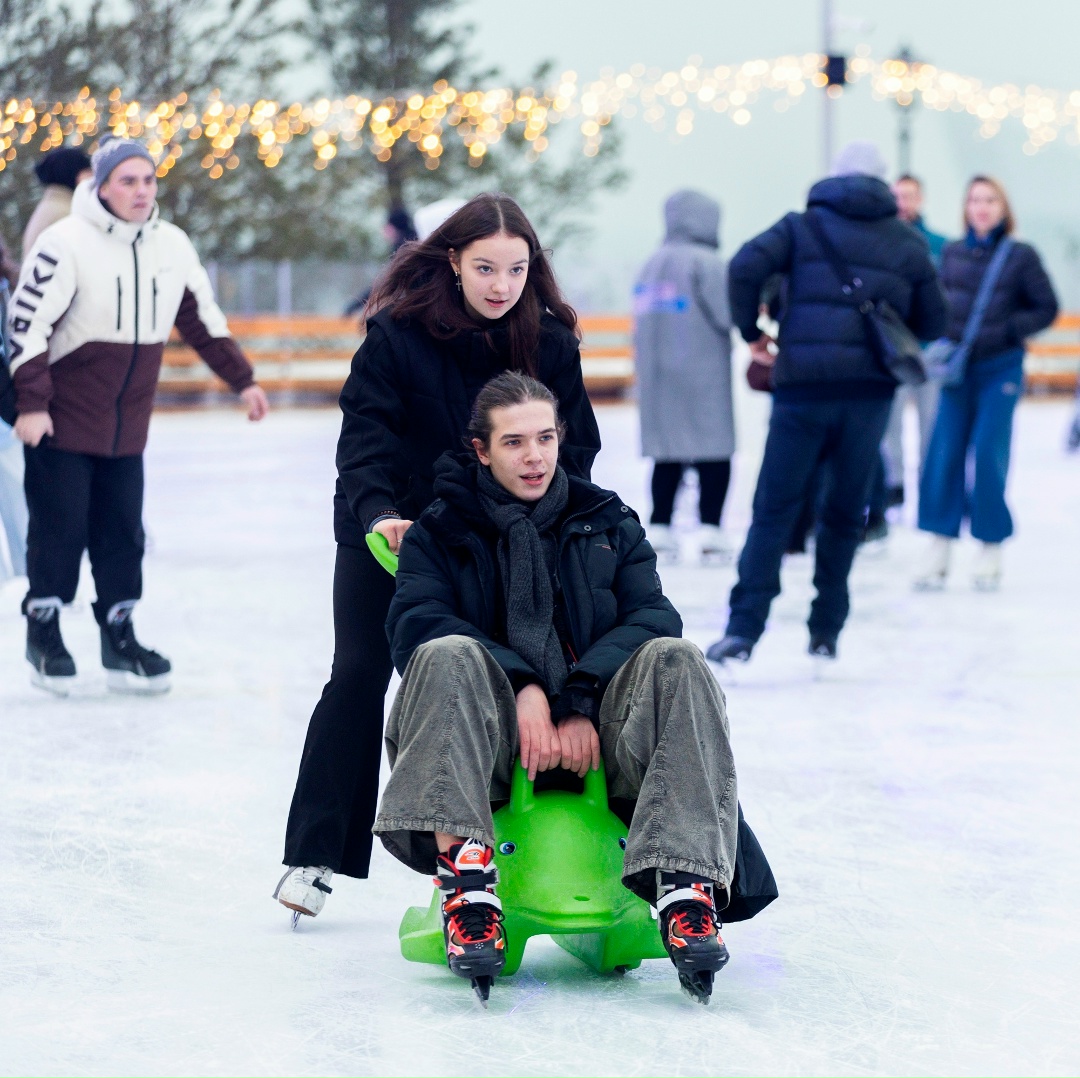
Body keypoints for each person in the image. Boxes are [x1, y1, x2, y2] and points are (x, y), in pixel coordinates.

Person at [373, 371, 774, 1003]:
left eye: (545, 438)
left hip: (604, 733)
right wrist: (525, 686)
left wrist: (582, 698)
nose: (533, 457)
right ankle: (468, 885)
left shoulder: (606, 519)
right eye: (513, 443)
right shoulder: (440, 530)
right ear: (481, 449)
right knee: (445, 652)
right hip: (492, 739)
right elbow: (417, 623)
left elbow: (653, 616)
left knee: (677, 658)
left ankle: (684, 885)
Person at [275, 194, 602, 921]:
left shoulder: (550, 344)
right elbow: (363, 442)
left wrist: (546, 525)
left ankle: (554, 851)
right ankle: (315, 855)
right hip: (392, 534)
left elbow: (576, 451)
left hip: (503, 539)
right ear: (451, 260)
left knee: (528, 675)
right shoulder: (395, 334)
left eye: (516, 269)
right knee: (360, 672)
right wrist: (380, 515)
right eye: (485, 267)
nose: (500, 284)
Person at [6, 136, 269, 695]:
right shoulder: (64, 242)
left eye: (148, 180)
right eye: (127, 180)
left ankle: (118, 636)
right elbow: (25, 327)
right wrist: (30, 405)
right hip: (61, 418)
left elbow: (201, 317)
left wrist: (242, 380)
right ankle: (44, 630)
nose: (140, 191)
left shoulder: (170, 244)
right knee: (60, 529)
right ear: (98, 185)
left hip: (127, 425)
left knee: (123, 534)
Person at [707, 141, 946, 665]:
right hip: (868, 396)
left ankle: (743, 630)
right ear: (882, 183)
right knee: (843, 513)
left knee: (774, 508)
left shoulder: (800, 227)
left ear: (834, 176)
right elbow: (933, 322)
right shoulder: (905, 240)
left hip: (802, 392)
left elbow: (745, 266)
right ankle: (826, 630)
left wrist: (752, 332)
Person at [914, 176, 1058, 591]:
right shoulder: (954, 253)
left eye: (990, 199)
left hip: (1000, 370)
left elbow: (1044, 307)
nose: (982, 207)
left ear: (1003, 207)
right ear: (966, 207)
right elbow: (938, 302)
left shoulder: (1020, 255)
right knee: (944, 453)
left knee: (989, 453)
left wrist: (1008, 330)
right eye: (975, 199)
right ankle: (939, 542)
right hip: (957, 371)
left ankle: (990, 544)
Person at [633, 190, 735, 565]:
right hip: (701, 370)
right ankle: (711, 528)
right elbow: (727, 314)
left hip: (657, 375)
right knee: (713, 448)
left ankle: (661, 525)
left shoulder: (650, 264)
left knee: (666, 451)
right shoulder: (707, 262)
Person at [874, 174, 950, 518]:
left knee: (930, 423)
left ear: (921, 199)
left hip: (930, 348)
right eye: (898, 196)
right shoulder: (878, 241)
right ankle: (894, 490)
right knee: (889, 423)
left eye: (910, 196)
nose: (904, 202)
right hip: (892, 347)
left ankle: (932, 490)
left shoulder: (940, 245)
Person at [22, 147, 93, 257]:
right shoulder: (65, 213)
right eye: (87, 172)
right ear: (73, 174)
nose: (92, 178)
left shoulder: (54, 206)